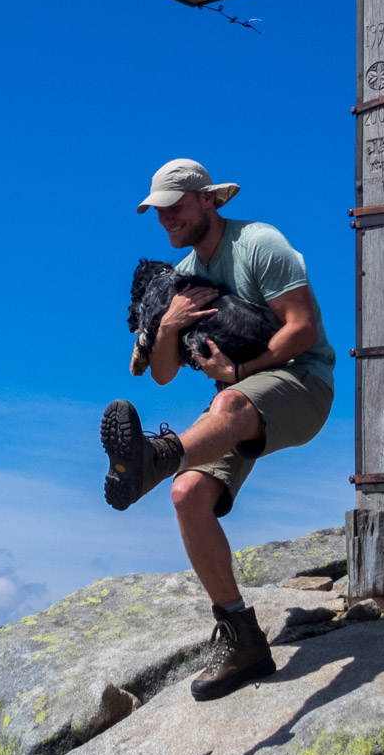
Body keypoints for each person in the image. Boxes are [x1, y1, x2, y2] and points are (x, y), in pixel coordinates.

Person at [100, 158, 334, 701]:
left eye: (175, 208)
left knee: (224, 403)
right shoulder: (187, 274)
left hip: (303, 383)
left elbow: (303, 328)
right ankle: (242, 637)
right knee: (187, 494)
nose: (166, 221)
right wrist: (172, 323)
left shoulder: (259, 244)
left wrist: (239, 373)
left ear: (208, 199)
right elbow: (160, 373)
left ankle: (154, 458)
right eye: (158, 212)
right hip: (238, 399)